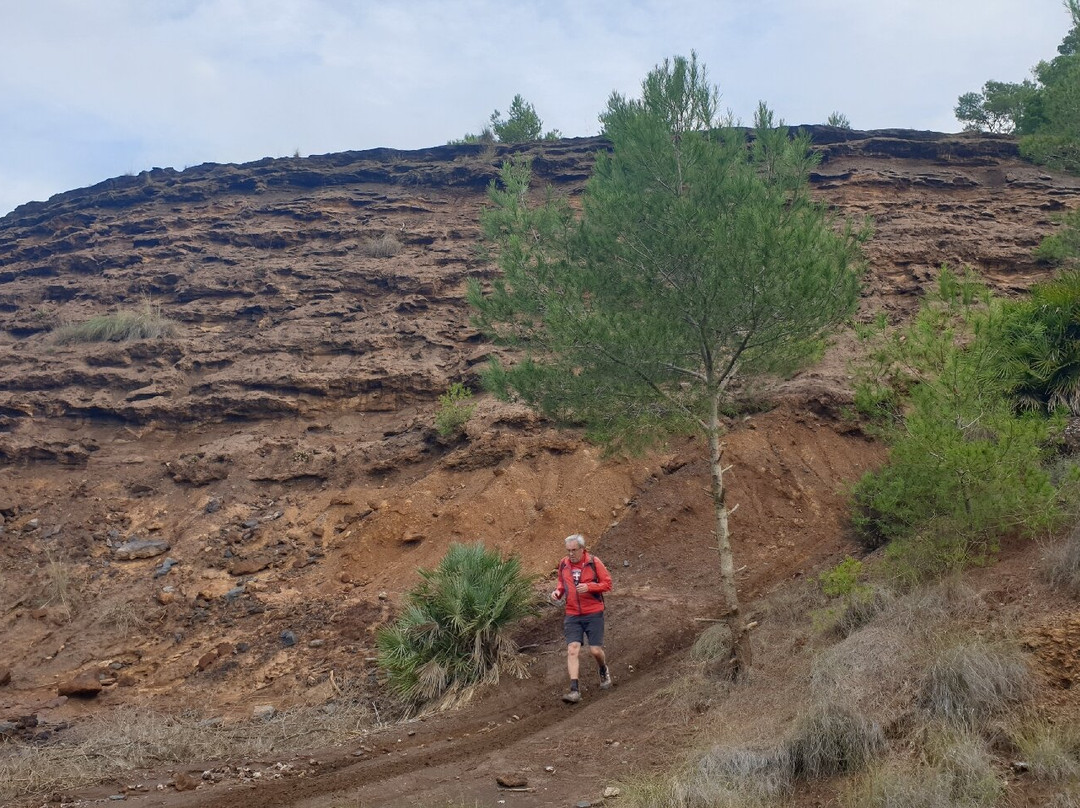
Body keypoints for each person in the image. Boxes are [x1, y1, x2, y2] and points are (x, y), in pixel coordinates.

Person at [550, 533, 613, 703]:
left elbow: (607, 584)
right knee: (572, 649)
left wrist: (590, 587)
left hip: (593, 612)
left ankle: (603, 669)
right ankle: (574, 690)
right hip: (572, 613)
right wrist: (558, 593)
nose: (571, 553)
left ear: (582, 549)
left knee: (595, 650)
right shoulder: (564, 564)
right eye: (568, 550)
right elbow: (561, 584)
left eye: (574, 550)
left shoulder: (594, 562)